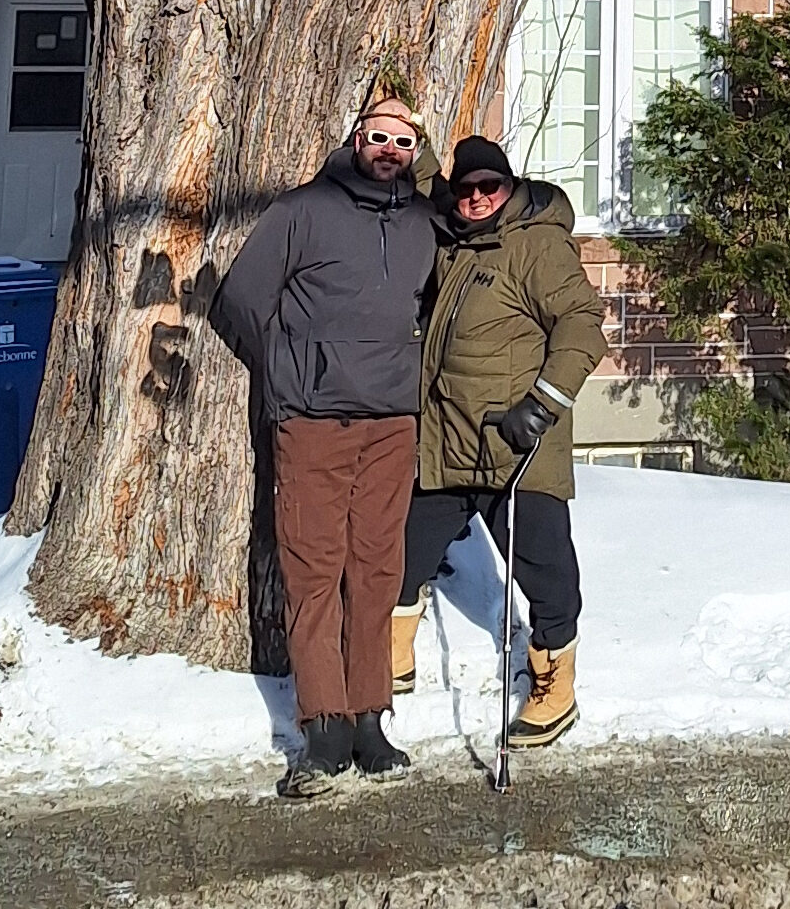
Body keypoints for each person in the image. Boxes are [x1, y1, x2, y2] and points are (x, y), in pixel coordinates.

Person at [212, 97, 438, 797]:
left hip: (391, 423)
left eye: (404, 140)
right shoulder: (301, 211)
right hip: (312, 420)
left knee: (377, 570)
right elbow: (240, 301)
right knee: (315, 570)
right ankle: (324, 725)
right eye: (380, 136)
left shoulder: (426, 223)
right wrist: (290, 373)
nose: (390, 149)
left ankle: (370, 717)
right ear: (356, 139)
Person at [394, 136, 607, 749]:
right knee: (404, 554)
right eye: (468, 189)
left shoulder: (537, 245)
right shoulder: (459, 238)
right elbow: (436, 192)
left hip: (518, 447)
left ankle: (554, 683)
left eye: (491, 186)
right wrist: (419, 148)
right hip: (453, 444)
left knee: (543, 569)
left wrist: (542, 405)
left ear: (510, 187)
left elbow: (583, 326)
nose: (478, 197)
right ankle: (394, 660)